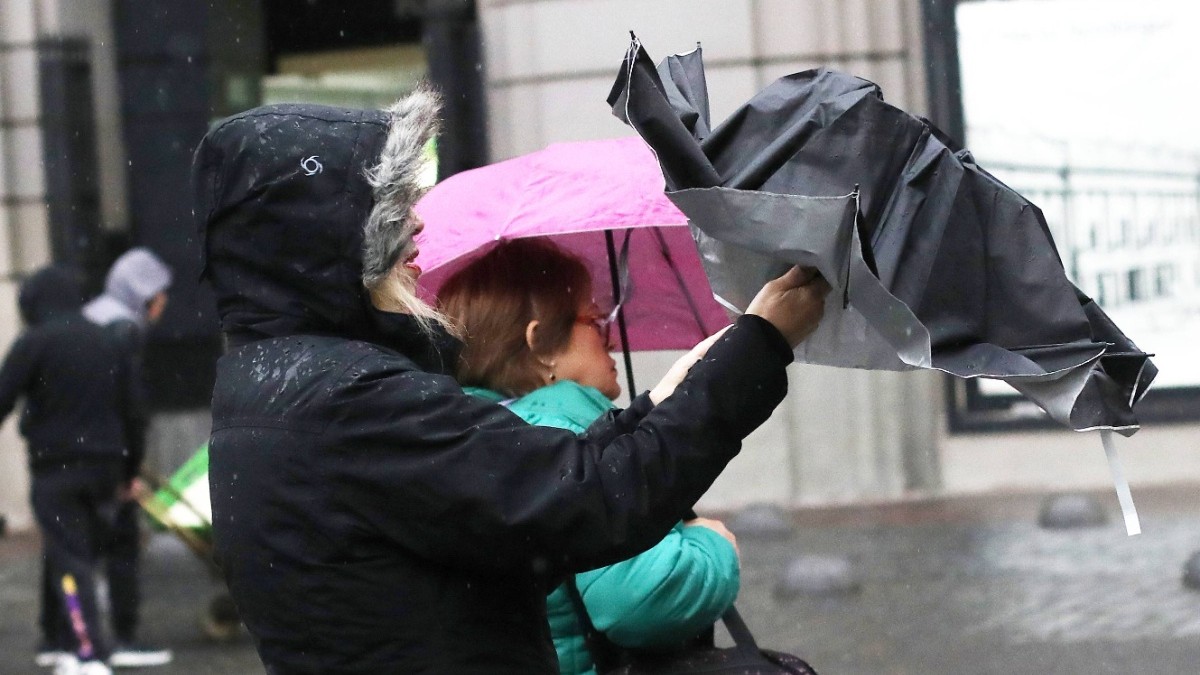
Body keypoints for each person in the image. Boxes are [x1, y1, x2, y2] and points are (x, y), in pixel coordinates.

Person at [192, 84, 831, 673]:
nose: (416, 223)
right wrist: (761, 346)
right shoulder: (347, 398)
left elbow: (548, 479)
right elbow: (591, 502)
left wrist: (685, 387)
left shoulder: (273, 384)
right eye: (386, 206)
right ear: (315, 236)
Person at [439, 238, 742, 675]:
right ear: (540, 343)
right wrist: (713, 545)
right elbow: (639, 600)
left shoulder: (458, 438)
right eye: (595, 321)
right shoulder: (564, 435)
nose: (611, 341)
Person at [0, 250, 172, 674]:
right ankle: (84, 642)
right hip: (107, 468)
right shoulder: (106, 339)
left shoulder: (34, 342)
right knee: (94, 554)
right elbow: (134, 411)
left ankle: (85, 650)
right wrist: (129, 471)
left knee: (69, 561)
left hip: (56, 469)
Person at [79, 248, 175, 669]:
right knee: (120, 545)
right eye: (160, 295)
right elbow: (129, 405)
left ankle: (63, 637)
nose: (164, 304)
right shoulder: (124, 331)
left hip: (75, 447)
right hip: (108, 453)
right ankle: (121, 635)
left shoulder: (91, 317)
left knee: (73, 546)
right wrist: (130, 466)